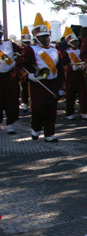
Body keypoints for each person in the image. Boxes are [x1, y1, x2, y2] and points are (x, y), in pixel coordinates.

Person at [18, 13, 64, 142]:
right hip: (38, 84)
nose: (45, 39)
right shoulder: (30, 49)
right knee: (39, 109)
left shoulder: (55, 49)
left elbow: (60, 69)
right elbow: (20, 65)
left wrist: (61, 87)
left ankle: (49, 134)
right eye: (42, 37)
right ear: (36, 37)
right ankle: (36, 128)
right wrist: (28, 76)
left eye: (46, 36)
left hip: (52, 83)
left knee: (51, 110)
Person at [60, 27, 87, 121]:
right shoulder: (66, 52)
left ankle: (85, 112)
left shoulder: (81, 50)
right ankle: (70, 113)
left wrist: (84, 66)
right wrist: (72, 68)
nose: (74, 43)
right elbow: (63, 65)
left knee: (83, 94)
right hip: (70, 76)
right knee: (70, 95)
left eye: (75, 41)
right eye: (72, 42)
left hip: (81, 75)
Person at [0, 22, 22, 134]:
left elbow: (23, 53)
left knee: (11, 101)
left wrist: (16, 61)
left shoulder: (9, 44)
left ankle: (10, 125)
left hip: (10, 76)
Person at [18, 26, 32, 114]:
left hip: (31, 71)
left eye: (28, 42)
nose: (27, 43)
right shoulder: (20, 49)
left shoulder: (32, 49)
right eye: (25, 42)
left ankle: (31, 105)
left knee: (32, 90)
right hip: (23, 72)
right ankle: (25, 103)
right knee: (24, 89)